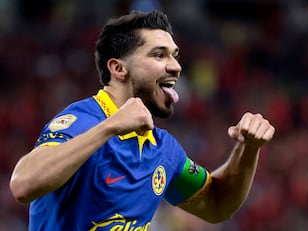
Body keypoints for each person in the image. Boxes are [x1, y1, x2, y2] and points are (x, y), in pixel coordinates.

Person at [9, 10, 275, 231]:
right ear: (118, 68)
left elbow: (217, 204)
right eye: (159, 55)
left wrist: (247, 148)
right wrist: (110, 127)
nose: (176, 66)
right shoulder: (82, 121)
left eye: (175, 55)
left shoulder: (163, 149)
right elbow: (23, 184)